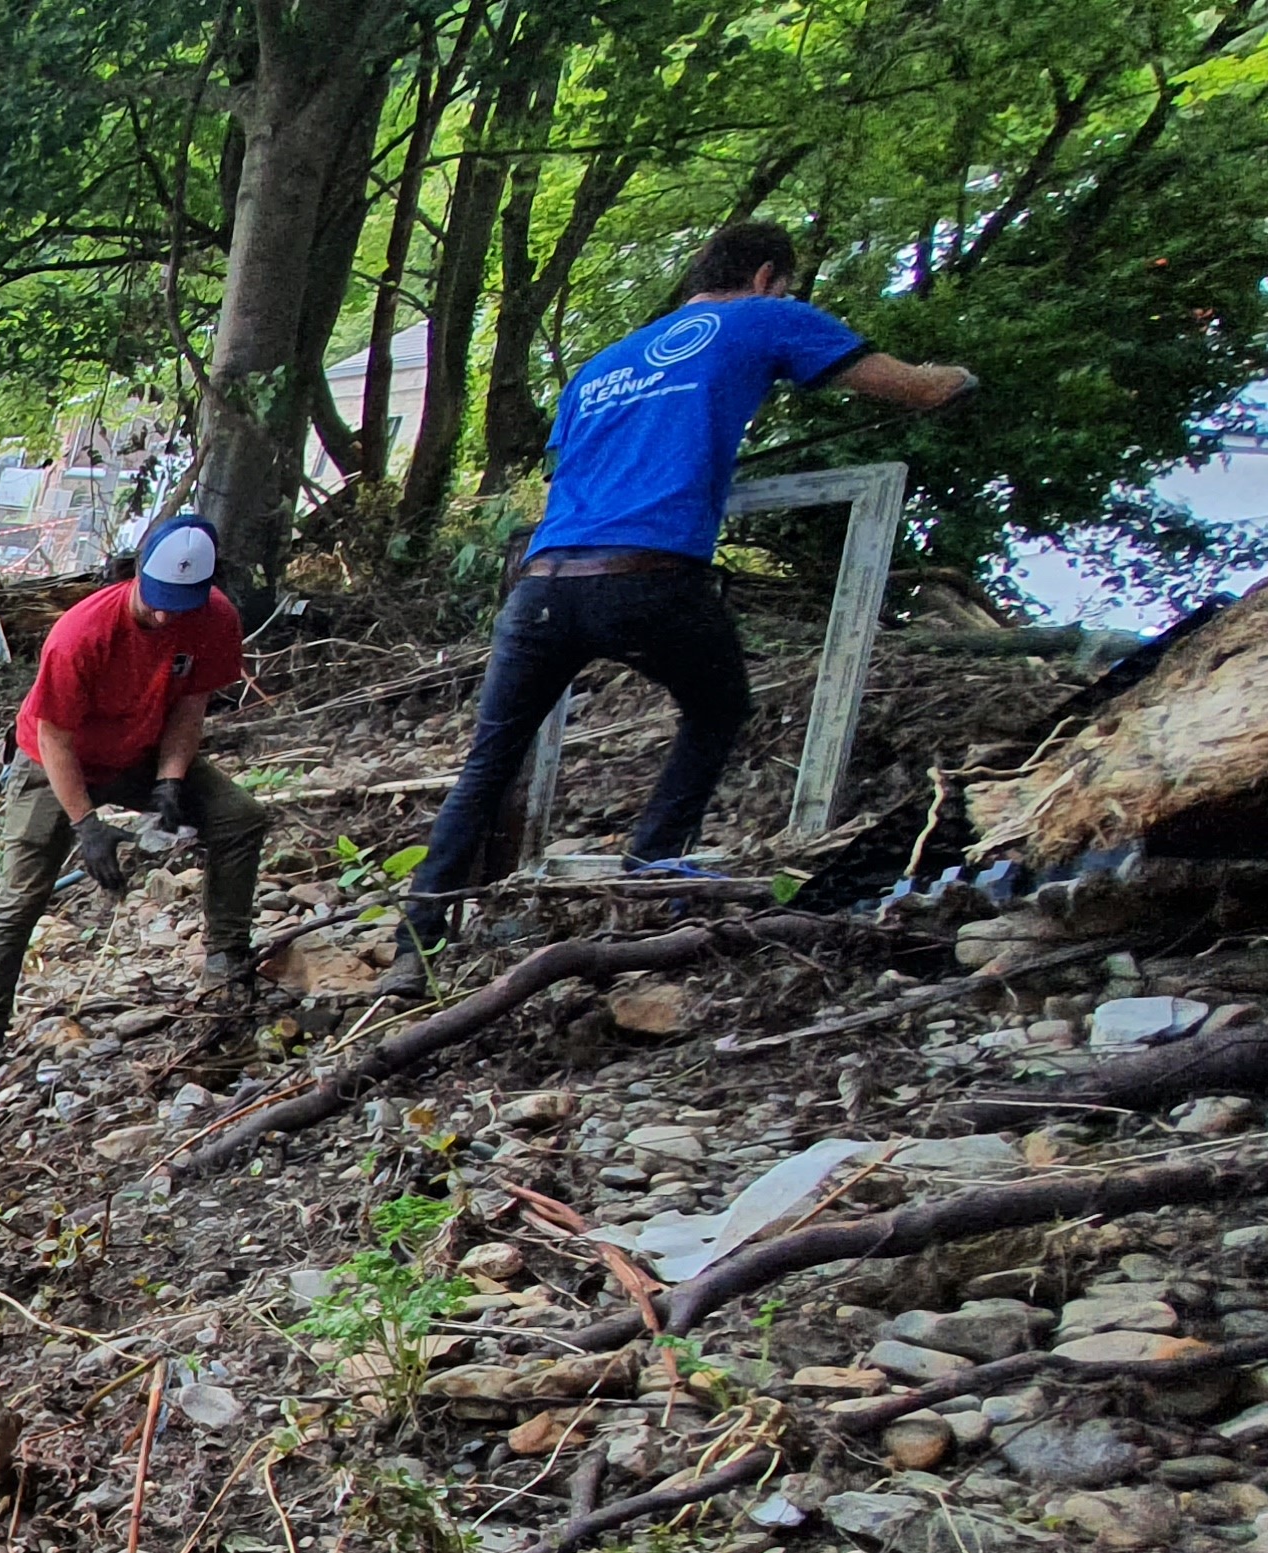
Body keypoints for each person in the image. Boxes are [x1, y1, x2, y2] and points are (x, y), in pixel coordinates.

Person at [382, 220, 978, 997]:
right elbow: (917, 389)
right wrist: (958, 379)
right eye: (786, 283)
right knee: (719, 705)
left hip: (544, 585)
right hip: (650, 577)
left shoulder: (601, 366)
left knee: (489, 761)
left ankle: (414, 946)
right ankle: (652, 866)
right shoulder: (766, 319)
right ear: (767, 276)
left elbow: (592, 464)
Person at [0, 514, 272, 1090]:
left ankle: (227, 959)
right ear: (137, 575)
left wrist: (171, 781)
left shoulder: (214, 620)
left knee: (240, 818)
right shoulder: (83, 634)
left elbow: (190, 705)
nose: (165, 616)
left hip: (142, 748)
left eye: (181, 605)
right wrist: (87, 825)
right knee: (20, 897)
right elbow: (54, 737)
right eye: (157, 601)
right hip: (57, 760)